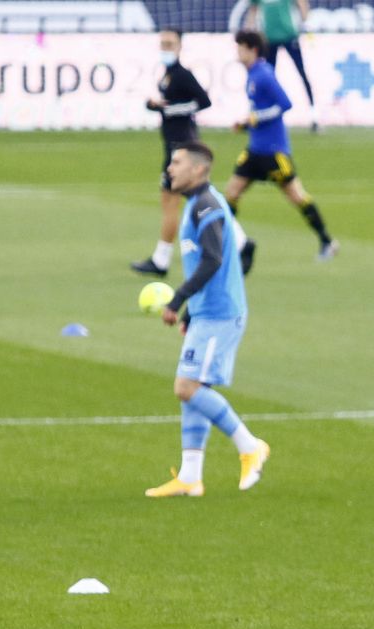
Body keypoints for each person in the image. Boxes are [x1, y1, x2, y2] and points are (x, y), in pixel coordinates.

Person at [145, 143, 271, 499]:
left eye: (178, 162)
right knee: (193, 389)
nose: (170, 167)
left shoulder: (206, 207)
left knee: (186, 387)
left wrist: (179, 298)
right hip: (206, 313)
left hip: (220, 314)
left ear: (199, 170)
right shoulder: (196, 204)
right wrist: (190, 312)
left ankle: (250, 446)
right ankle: (190, 476)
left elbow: (213, 258)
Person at [225, 30, 335, 263]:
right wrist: (246, 124)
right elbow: (262, 110)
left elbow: (285, 104)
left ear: (252, 49)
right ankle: (226, 244)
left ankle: (327, 240)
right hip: (254, 150)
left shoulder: (264, 74)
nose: (237, 51)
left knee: (296, 196)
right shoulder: (252, 74)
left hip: (274, 151)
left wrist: (254, 119)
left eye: (240, 47)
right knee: (231, 194)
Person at [131, 29, 211, 277]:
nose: (165, 47)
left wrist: (169, 109)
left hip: (182, 147)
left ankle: (161, 260)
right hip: (173, 144)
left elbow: (203, 101)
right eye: (163, 43)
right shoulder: (168, 75)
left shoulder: (183, 75)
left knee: (174, 201)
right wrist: (156, 106)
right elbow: (170, 106)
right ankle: (240, 242)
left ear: (179, 46)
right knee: (195, 199)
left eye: (170, 43)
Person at [246, 0, 317, 133]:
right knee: (267, 78)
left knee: (302, 73)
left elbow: (302, 3)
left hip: (289, 35)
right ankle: (262, 115)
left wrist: (306, 23)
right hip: (269, 39)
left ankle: (314, 116)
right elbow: (253, 10)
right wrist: (249, 34)